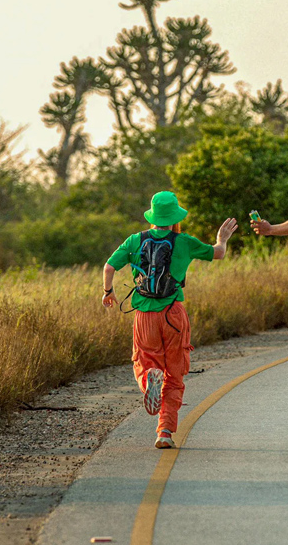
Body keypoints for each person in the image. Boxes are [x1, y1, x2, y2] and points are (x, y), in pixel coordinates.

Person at [102, 191, 238, 449]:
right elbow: (218, 253)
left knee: (144, 361)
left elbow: (109, 267)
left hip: (144, 315)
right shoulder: (184, 241)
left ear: (153, 216)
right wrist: (223, 238)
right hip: (173, 314)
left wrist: (109, 292)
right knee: (174, 374)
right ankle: (164, 431)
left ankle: (148, 380)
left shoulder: (134, 240)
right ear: (175, 216)